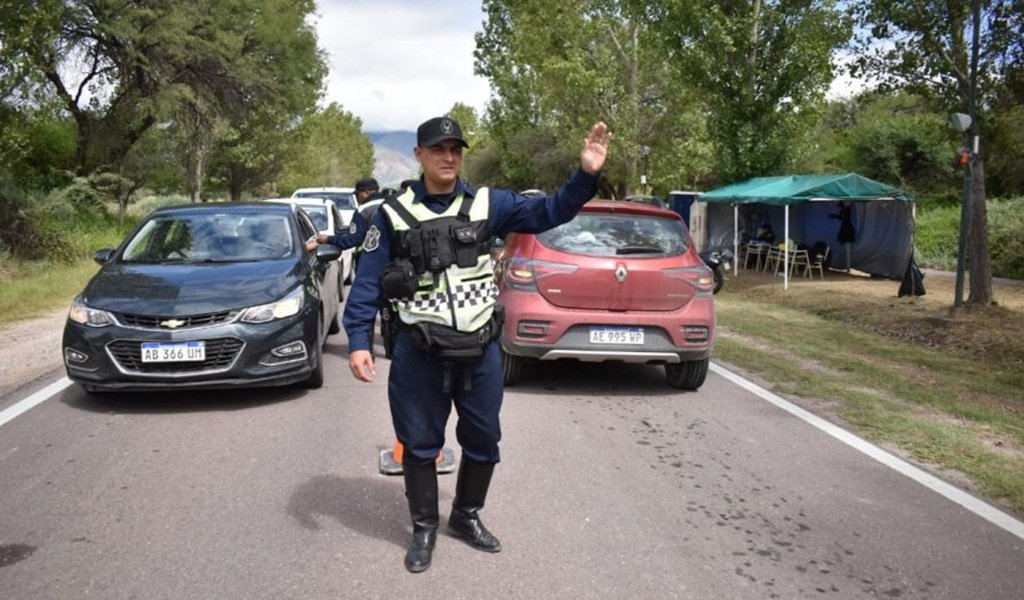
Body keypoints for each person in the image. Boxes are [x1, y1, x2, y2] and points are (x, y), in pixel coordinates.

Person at [342, 116, 611, 573]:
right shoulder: (390, 214)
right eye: (438, 149)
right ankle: (424, 527)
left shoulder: (490, 203)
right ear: (419, 155)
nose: (448, 156)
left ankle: (466, 516)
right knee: (420, 443)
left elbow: (551, 212)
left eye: (455, 149)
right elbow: (367, 282)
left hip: (480, 348)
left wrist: (586, 174)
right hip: (419, 350)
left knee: (484, 440)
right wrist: (357, 339)